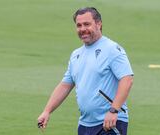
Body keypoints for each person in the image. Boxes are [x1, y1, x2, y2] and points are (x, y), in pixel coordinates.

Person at [37, 7, 134, 135]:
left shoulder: (112, 49)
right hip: (85, 124)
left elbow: (127, 79)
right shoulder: (76, 55)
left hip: (109, 123)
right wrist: (47, 111)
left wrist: (114, 110)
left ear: (99, 24)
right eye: (79, 25)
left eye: (87, 24)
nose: (82, 29)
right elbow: (65, 85)